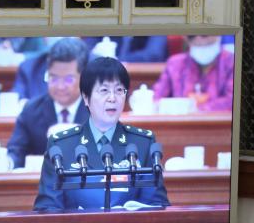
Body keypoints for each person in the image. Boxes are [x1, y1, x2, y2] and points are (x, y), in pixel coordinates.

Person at [34, 56, 169, 212]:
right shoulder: (61, 146)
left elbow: (155, 206)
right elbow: (48, 208)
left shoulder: (142, 143)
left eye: (119, 90)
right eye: (104, 90)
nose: (112, 98)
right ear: (86, 98)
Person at [7, 37, 90, 169]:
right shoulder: (31, 110)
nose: (60, 87)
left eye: (68, 80)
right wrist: (7, 163)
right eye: (53, 78)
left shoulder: (99, 110)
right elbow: (16, 153)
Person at [153, 35, 234, 111]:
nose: (199, 39)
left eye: (205, 34)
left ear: (218, 35)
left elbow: (233, 101)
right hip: (181, 120)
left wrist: (196, 109)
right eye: (192, 35)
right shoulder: (175, 64)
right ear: (186, 39)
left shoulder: (232, 62)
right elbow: (157, 99)